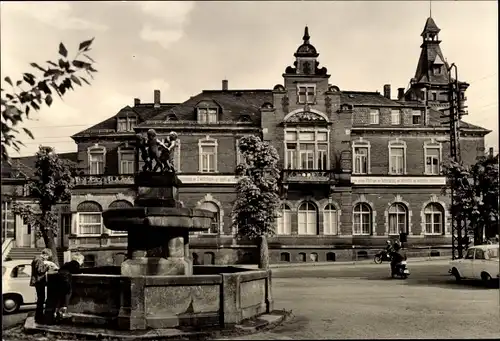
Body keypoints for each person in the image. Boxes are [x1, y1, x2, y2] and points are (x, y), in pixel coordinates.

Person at [30, 248, 58, 323]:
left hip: (38, 281)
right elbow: (40, 271)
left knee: (40, 300)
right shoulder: (39, 260)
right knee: (40, 300)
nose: (47, 258)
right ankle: (39, 317)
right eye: (48, 256)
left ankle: (38, 316)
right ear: (45, 254)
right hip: (39, 282)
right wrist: (48, 266)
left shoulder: (36, 259)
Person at [54, 252, 85, 320]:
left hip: (59, 281)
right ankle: (64, 312)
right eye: (82, 260)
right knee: (68, 294)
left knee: (60, 296)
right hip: (66, 281)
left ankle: (56, 313)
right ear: (78, 259)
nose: (82, 262)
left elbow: (60, 270)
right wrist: (81, 272)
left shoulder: (67, 263)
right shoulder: (75, 263)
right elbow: (77, 271)